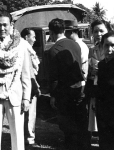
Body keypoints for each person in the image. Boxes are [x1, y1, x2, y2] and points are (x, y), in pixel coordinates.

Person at [0, 11, 31, 150]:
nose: (2, 28)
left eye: (5, 25)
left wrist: (26, 98)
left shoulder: (21, 45)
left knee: (18, 136)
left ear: (11, 25)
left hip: (15, 96)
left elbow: (26, 73)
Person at [48, 18, 90, 150]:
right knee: (81, 124)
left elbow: (54, 77)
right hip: (79, 89)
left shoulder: (54, 50)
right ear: (64, 30)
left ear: (51, 32)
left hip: (65, 93)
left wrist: (53, 96)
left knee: (68, 127)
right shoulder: (76, 44)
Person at [85, 19, 111, 134]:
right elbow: (89, 71)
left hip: (111, 90)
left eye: (101, 31)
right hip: (96, 89)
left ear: (108, 31)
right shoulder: (91, 50)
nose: (98, 34)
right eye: (95, 31)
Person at [21, 28, 41, 145]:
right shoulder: (26, 50)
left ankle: (26, 136)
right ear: (26, 37)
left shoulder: (28, 49)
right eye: (33, 37)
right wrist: (36, 86)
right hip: (29, 84)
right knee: (30, 113)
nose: (35, 39)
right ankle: (29, 138)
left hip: (28, 83)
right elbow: (30, 71)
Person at [64, 20, 89, 101]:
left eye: (65, 32)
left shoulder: (81, 46)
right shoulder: (73, 45)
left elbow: (82, 66)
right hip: (73, 84)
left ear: (71, 32)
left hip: (78, 85)